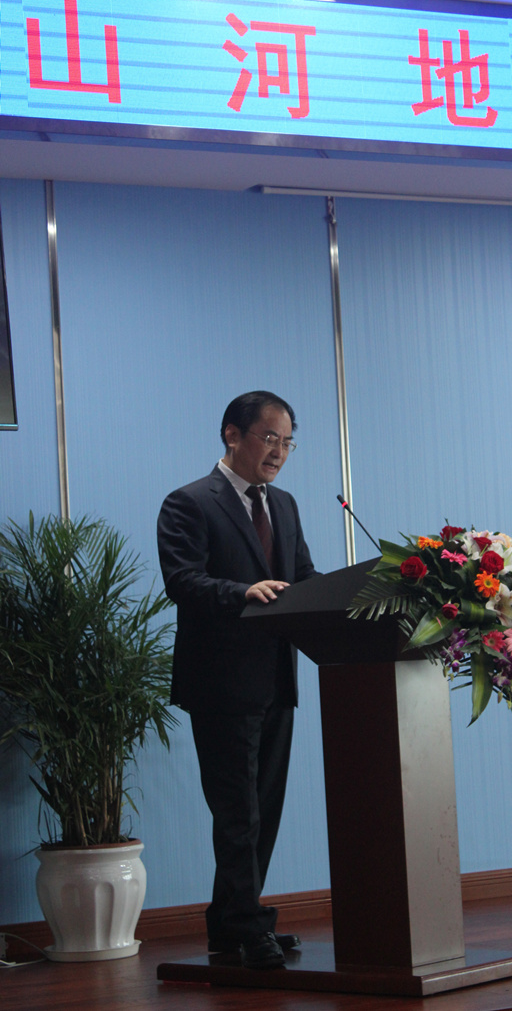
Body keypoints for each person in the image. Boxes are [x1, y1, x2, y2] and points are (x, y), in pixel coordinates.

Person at [157, 391, 317, 969]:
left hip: (277, 679)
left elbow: (304, 578)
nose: (279, 452)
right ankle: (250, 926)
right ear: (232, 434)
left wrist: (362, 595)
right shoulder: (189, 503)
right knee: (237, 813)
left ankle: (230, 925)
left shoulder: (285, 505)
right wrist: (242, 592)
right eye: (269, 438)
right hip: (222, 684)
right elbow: (183, 581)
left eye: (288, 442)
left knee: (263, 809)